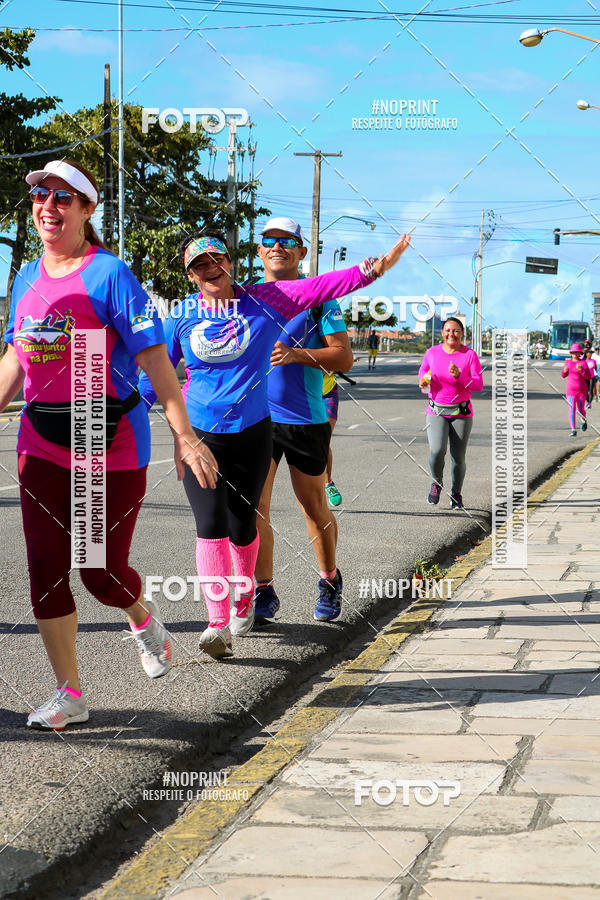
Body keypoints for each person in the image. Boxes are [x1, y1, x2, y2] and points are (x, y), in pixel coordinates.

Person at [0, 159, 217, 730]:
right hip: (40, 440)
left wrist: (185, 435)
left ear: (87, 210)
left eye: (63, 198)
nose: (48, 205)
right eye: (41, 195)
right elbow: (16, 360)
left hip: (105, 439)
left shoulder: (110, 276)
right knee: (45, 569)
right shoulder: (24, 277)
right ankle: (69, 692)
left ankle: (142, 619)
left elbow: (154, 361)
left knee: (99, 573)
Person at [140, 229, 411, 656]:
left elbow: (326, 286)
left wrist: (376, 268)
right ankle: (218, 623)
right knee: (210, 527)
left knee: (245, 526)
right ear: (190, 275)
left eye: (216, 259)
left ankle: (248, 594)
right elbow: (155, 374)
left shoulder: (265, 300)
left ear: (229, 261)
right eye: (199, 265)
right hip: (201, 437)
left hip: (254, 431)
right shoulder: (182, 315)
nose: (210, 268)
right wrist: (119, 412)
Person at [252, 218, 353, 625]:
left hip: (304, 417)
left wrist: (296, 355)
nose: (278, 247)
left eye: (287, 242)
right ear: (259, 251)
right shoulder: (245, 296)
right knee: (254, 506)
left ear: (301, 252)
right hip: (255, 417)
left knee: (312, 505)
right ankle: (263, 591)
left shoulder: (321, 300)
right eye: (269, 241)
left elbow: (344, 357)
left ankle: (329, 580)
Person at [418, 317, 483, 509]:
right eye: (447, 330)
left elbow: (478, 385)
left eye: (455, 331)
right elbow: (424, 372)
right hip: (436, 410)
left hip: (461, 412)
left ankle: (456, 494)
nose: (451, 334)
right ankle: (436, 483)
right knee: (437, 450)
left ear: (462, 334)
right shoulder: (432, 353)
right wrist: (423, 381)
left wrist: (460, 376)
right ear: (442, 333)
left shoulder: (469, 355)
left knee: (458, 457)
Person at [561, 343, 591, 436]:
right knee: (572, 409)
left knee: (580, 409)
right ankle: (573, 429)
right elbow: (563, 375)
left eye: (577, 352)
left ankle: (583, 420)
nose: (575, 354)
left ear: (580, 353)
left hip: (582, 391)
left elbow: (588, 376)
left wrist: (581, 369)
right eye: (573, 352)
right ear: (571, 353)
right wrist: (564, 371)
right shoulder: (568, 363)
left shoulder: (583, 363)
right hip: (570, 391)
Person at [323, 371, 342, 507]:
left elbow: (343, 361)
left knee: (322, 441)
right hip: (301, 393)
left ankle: (328, 483)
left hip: (327, 392)